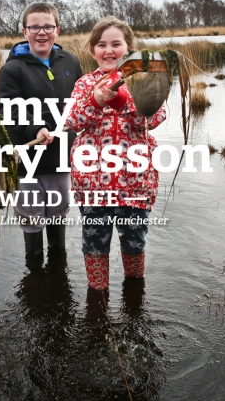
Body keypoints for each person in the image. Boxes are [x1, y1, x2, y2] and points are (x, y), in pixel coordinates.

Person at [66, 16, 166, 290]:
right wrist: (96, 102)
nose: (108, 50)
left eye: (116, 44)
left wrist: (124, 102)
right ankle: (97, 296)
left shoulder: (145, 78)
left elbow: (155, 118)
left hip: (135, 180)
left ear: (129, 47)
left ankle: (135, 293)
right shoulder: (85, 83)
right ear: (92, 50)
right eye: (101, 45)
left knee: (134, 240)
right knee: (94, 242)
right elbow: (72, 121)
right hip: (93, 183)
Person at [0, 3, 83, 264]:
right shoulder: (12, 69)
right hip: (28, 156)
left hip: (60, 154)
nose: (41, 32)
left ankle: (58, 270)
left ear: (58, 30)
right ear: (24, 31)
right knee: (32, 216)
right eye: (34, 27)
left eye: (48, 26)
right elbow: (8, 111)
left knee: (58, 211)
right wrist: (36, 128)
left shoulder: (70, 61)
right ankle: (34, 270)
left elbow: (79, 102)